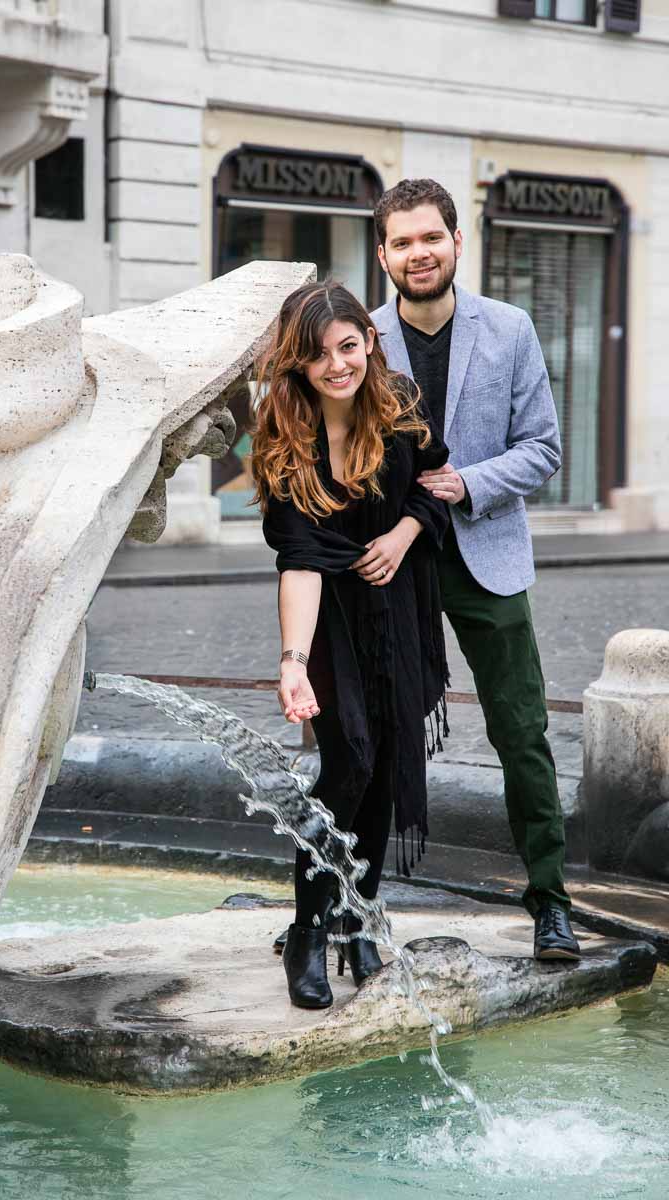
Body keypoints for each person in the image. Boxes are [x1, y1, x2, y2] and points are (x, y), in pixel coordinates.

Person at [370, 177, 580, 962]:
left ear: (457, 243)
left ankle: (550, 901)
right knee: (369, 735)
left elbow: (545, 448)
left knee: (522, 732)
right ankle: (352, 898)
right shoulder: (360, 336)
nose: (418, 253)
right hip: (390, 562)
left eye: (431, 237)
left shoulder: (512, 328)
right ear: (383, 254)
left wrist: (471, 482)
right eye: (401, 242)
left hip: (486, 554)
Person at [251, 282, 450, 1009]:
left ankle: (358, 917)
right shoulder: (285, 434)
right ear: (298, 361)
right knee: (350, 763)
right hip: (331, 618)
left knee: (390, 759)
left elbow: (434, 483)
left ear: (368, 340)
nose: (338, 365)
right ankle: (308, 927)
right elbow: (299, 558)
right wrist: (292, 663)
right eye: (320, 353)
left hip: (400, 608)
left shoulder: (399, 404)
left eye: (348, 345)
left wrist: (402, 534)